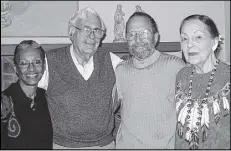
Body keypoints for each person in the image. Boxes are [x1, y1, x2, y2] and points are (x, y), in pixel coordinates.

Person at [38, 7, 122, 149]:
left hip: (104, 145)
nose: (92, 36)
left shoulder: (112, 61)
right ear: (72, 32)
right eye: (86, 29)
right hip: (62, 146)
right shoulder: (50, 61)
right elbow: (29, 99)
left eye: (97, 31)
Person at [114, 12, 185, 149]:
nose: (137, 39)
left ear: (156, 37)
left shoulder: (176, 67)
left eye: (144, 33)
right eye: (131, 34)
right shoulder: (120, 70)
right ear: (126, 39)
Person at [175, 14, 230, 149]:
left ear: (215, 42)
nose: (189, 44)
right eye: (184, 38)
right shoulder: (181, 76)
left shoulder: (228, 76)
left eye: (198, 37)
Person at [1, 40, 53, 149]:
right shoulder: (4, 102)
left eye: (37, 62)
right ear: (16, 69)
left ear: (43, 67)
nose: (31, 68)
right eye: (24, 63)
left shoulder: (49, 99)